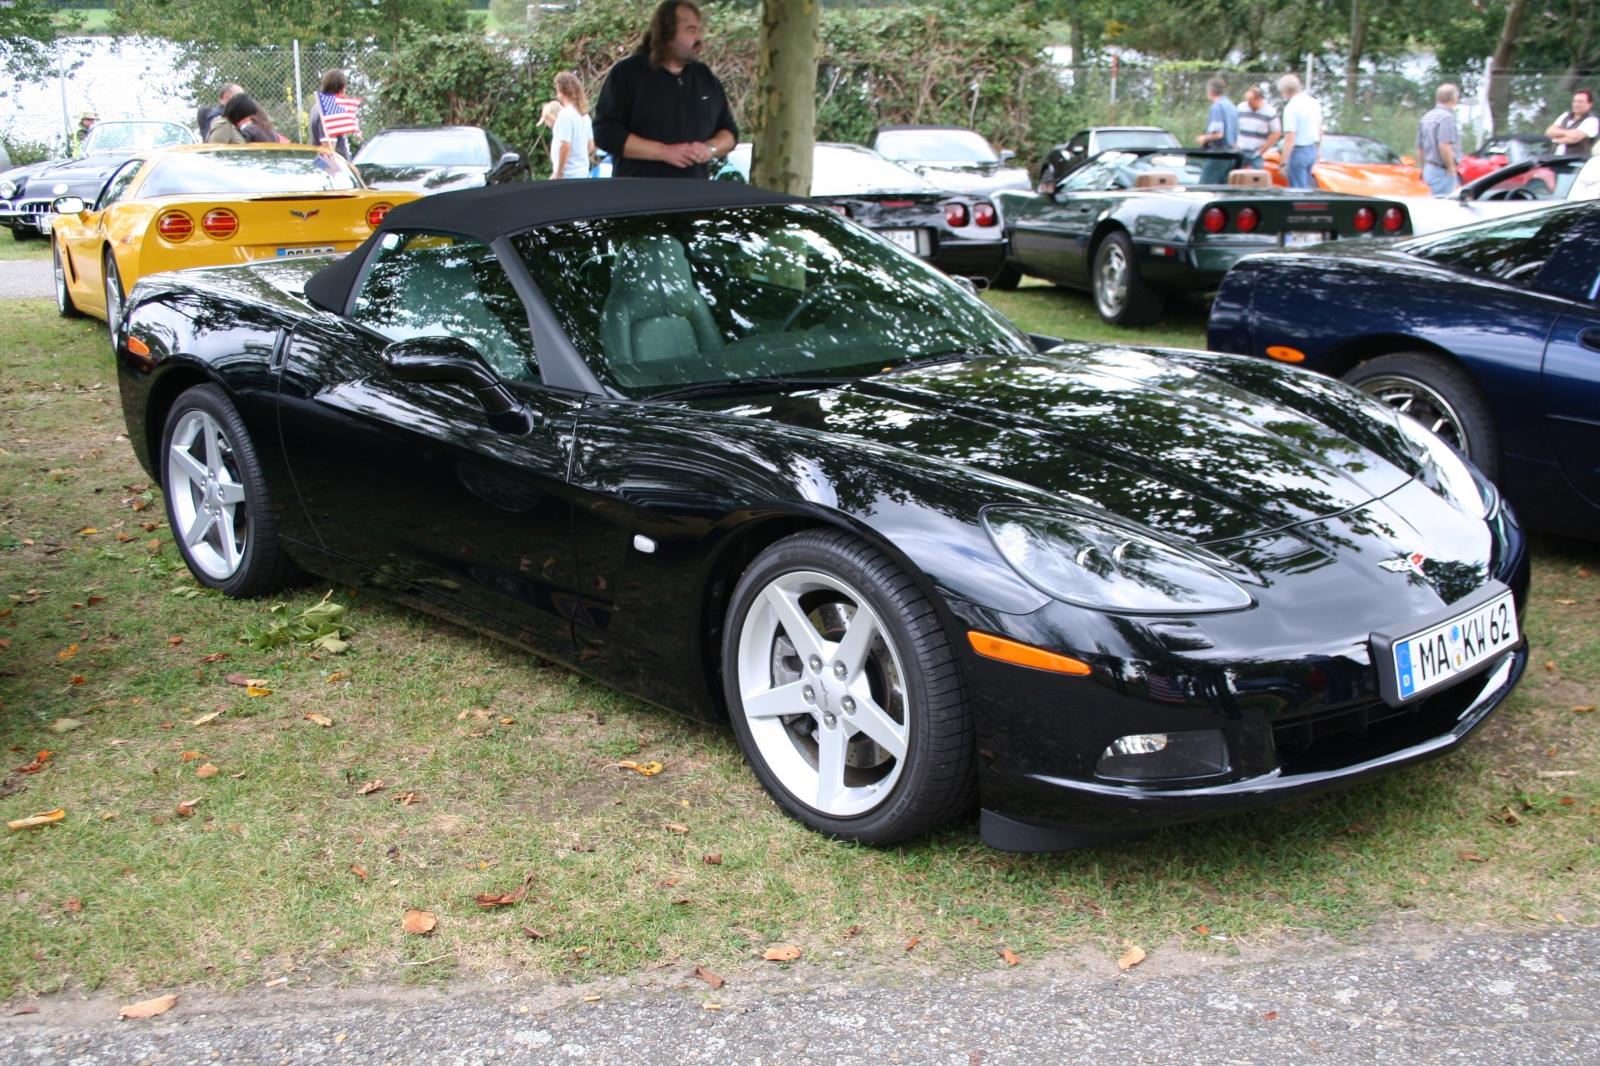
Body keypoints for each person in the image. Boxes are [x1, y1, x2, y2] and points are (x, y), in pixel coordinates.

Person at [592, 0, 738, 179]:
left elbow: (729, 131)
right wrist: (664, 152)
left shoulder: (704, 77)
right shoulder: (628, 74)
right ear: (667, 35)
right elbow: (606, 133)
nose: (700, 38)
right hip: (640, 198)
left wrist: (709, 148)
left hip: (694, 198)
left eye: (700, 30)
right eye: (691, 30)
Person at [1417, 84, 1462, 196]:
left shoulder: (1427, 117)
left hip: (1429, 169)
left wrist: (1423, 169)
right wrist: (1451, 169)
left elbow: (1420, 149)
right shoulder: (1446, 117)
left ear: (1437, 98)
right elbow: (1444, 145)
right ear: (1454, 99)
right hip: (1442, 171)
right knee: (1443, 205)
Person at [1278, 73, 1322, 189]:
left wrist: (1283, 162)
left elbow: (1290, 138)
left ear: (1286, 91)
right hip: (1311, 149)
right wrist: (1318, 149)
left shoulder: (1291, 108)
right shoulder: (1314, 103)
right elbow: (1320, 129)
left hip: (1298, 151)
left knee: (1298, 190)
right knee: (1306, 185)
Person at [552, 72, 595, 179]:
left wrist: (559, 172)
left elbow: (565, 146)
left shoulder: (565, 114)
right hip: (583, 173)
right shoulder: (584, 116)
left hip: (568, 175)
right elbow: (591, 146)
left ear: (562, 90)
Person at [310, 69, 356, 159]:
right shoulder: (329, 111)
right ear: (342, 89)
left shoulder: (317, 107)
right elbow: (328, 152)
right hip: (334, 170)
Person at [1235, 87, 1281, 170]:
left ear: (1258, 99)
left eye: (1250, 101)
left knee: (1255, 180)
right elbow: (1234, 126)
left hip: (1257, 154)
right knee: (1237, 178)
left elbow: (1276, 132)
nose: (1248, 103)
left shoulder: (1270, 112)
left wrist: (1263, 150)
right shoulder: (1241, 108)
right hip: (1240, 151)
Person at [1546, 89, 1599, 157]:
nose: (1576, 104)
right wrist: (1567, 133)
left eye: (1580, 102)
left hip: (1576, 162)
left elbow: (1574, 138)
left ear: (1589, 105)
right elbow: (1549, 131)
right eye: (1575, 101)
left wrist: (1555, 139)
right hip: (1554, 158)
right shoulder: (1566, 115)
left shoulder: (1592, 120)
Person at [1195, 77, 1238, 149]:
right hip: (1231, 152)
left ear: (1210, 91)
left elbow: (1218, 134)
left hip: (1218, 153)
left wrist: (1203, 138)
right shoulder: (1232, 107)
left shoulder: (1217, 107)